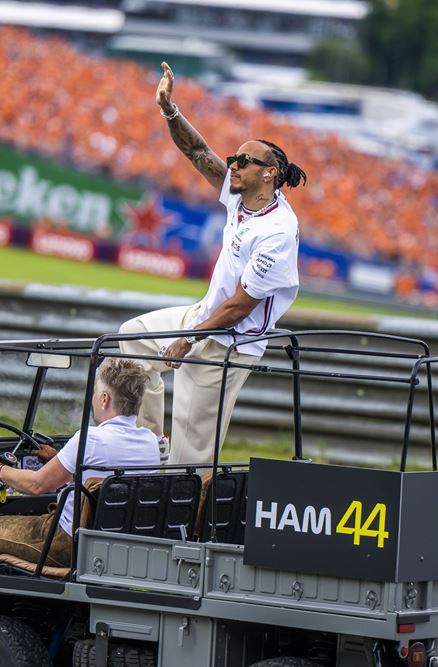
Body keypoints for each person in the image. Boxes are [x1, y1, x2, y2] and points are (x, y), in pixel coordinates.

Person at [119, 62, 307, 466]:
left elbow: (241, 306)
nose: (233, 164)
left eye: (244, 160)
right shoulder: (241, 197)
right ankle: (151, 445)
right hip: (205, 318)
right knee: (132, 339)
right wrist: (168, 108)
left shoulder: (278, 231)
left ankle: (186, 521)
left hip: (228, 345)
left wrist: (188, 338)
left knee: (191, 464)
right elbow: (197, 151)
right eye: (234, 158)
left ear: (269, 174)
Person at [0, 358, 158, 572]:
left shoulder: (90, 439)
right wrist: (58, 458)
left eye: (95, 392)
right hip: (117, 544)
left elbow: (36, 485)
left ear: (104, 399)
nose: (93, 399)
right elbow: (99, 475)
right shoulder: (150, 442)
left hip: (66, 542)